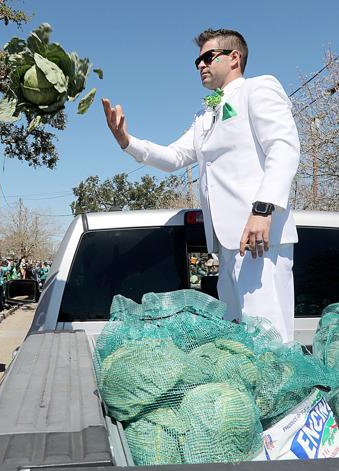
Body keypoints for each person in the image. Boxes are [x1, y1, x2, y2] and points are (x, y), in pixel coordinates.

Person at [103, 28, 299, 342]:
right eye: (197, 60)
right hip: (226, 245)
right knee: (240, 339)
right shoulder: (204, 115)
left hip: (261, 237)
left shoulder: (259, 88)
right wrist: (127, 142)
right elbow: (174, 156)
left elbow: (284, 147)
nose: (200, 65)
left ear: (234, 58)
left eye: (208, 56)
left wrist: (263, 209)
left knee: (269, 337)